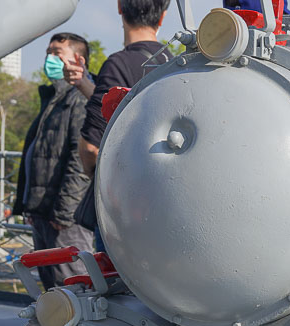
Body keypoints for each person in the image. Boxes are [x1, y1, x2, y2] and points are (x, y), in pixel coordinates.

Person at [72, 0, 172, 251]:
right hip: (165, 208)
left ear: (120, 8)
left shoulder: (118, 64)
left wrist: (98, 175)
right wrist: (85, 85)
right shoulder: (176, 63)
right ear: (162, 17)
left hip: (122, 214)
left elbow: (90, 147)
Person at [13, 33, 93, 290]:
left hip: (63, 218)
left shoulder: (78, 98)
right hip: (44, 213)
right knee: (53, 286)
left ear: (78, 60)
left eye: (57, 54)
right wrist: (32, 207)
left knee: (72, 285)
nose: (49, 59)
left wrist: (64, 211)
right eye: (48, 53)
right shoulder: (55, 97)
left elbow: (79, 160)